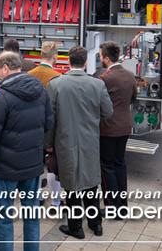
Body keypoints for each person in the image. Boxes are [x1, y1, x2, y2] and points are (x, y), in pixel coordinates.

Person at [0, 51, 54, 250]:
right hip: (33, 164)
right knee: (31, 215)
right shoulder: (40, 90)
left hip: (6, 167)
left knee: (4, 217)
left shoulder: (1, 95)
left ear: (5, 68)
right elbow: (49, 123)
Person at [46, 46, 113, 239]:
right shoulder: (97, 84)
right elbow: (108, 112)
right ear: (85, 63)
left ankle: (75, 227)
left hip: (64, 141)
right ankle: (96, 225)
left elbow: (50, 119)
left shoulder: (56, 84)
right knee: (91, 184)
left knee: (71, 185)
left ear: (68, 61)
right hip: (90, 141)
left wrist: (48, 144)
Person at [97, 41, 136, 213]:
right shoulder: (129, 75)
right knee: (120, 164)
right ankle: (122, 204)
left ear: (106, 58)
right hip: (125, 126)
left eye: (100, 56)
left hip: (108, 127)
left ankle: (111, 206)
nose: (99, 59)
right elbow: (133, 98)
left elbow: (99, 104)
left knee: (107, 166)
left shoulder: (105, 78)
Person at [27, 41, 61, 206]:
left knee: (35, 164)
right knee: (53, 165)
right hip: (49, 127)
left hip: (31, 126)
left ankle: (37, 197)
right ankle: (56, 201)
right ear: (54, 56)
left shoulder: (30, 73)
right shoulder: (57, 77)